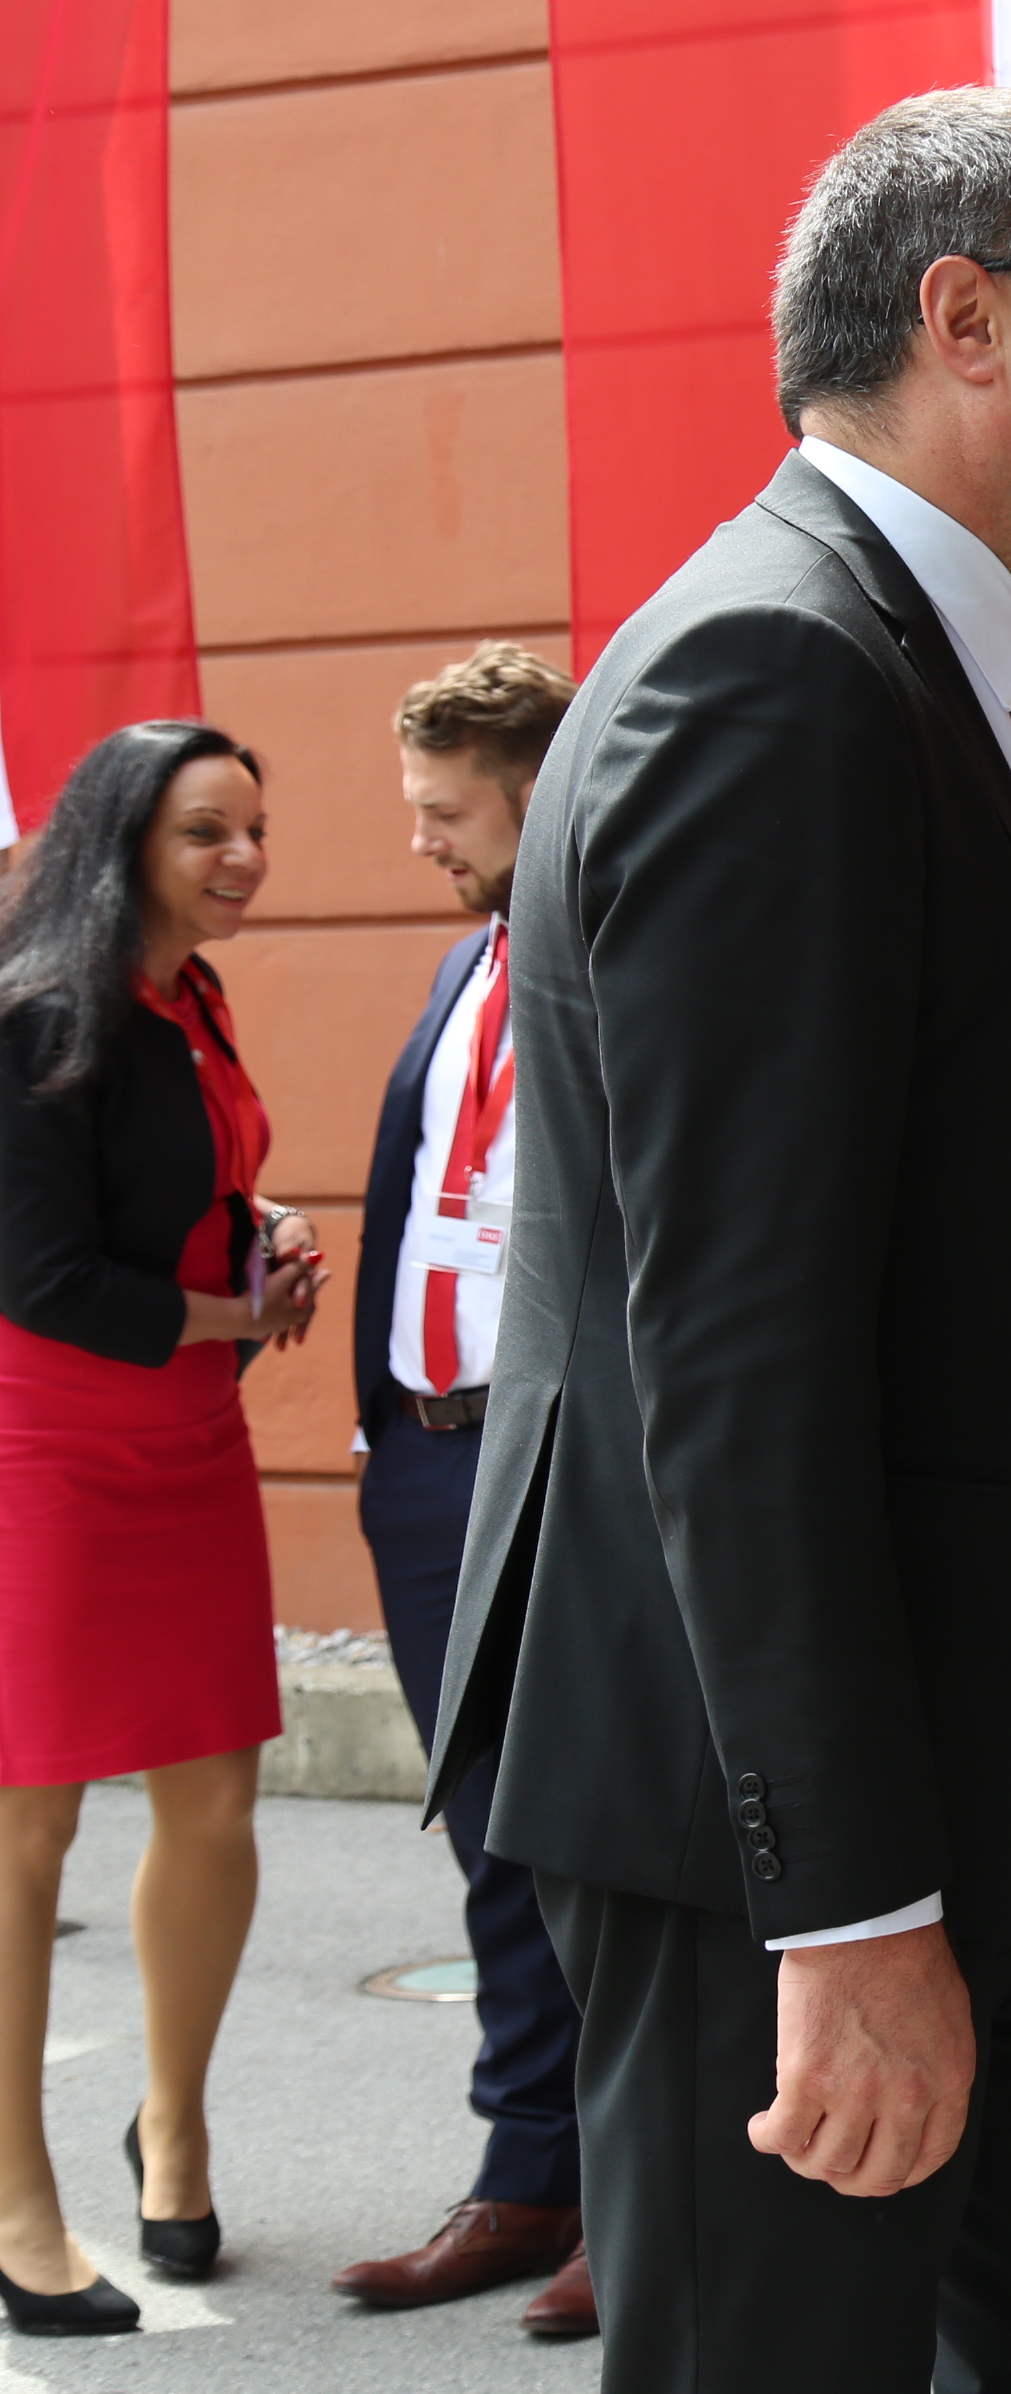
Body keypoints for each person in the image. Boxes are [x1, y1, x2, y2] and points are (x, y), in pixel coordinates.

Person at [423, 84, 1011, 2394]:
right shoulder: (772, 673)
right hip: (808, 1825)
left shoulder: (959, 660)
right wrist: (857, 1897)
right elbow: (740, 1343)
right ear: (967, 316)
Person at [0, 720, 320, 2336]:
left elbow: (169, 1183)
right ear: (123, 839)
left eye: (254, 828)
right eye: (209, 831)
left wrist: (255, 1232)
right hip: (45, 1454)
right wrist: (231, 1310)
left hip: (187, 1449)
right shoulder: (35, 1011)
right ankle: (15, 2200)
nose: (243, 857)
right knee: (24, 1832)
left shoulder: (187, 997)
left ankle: (173, 2130)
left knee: (212, 1805)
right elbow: (41, 1276)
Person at [327, 643, 596, 2339]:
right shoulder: (461, 960)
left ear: (531, 798)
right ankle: (527, 2172)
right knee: (492, 1841)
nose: (419, 838)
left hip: (551, 1459)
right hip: (427, 1463)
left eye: (444, 812)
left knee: (592, 1842)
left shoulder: (610, 956)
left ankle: (637, 2201)